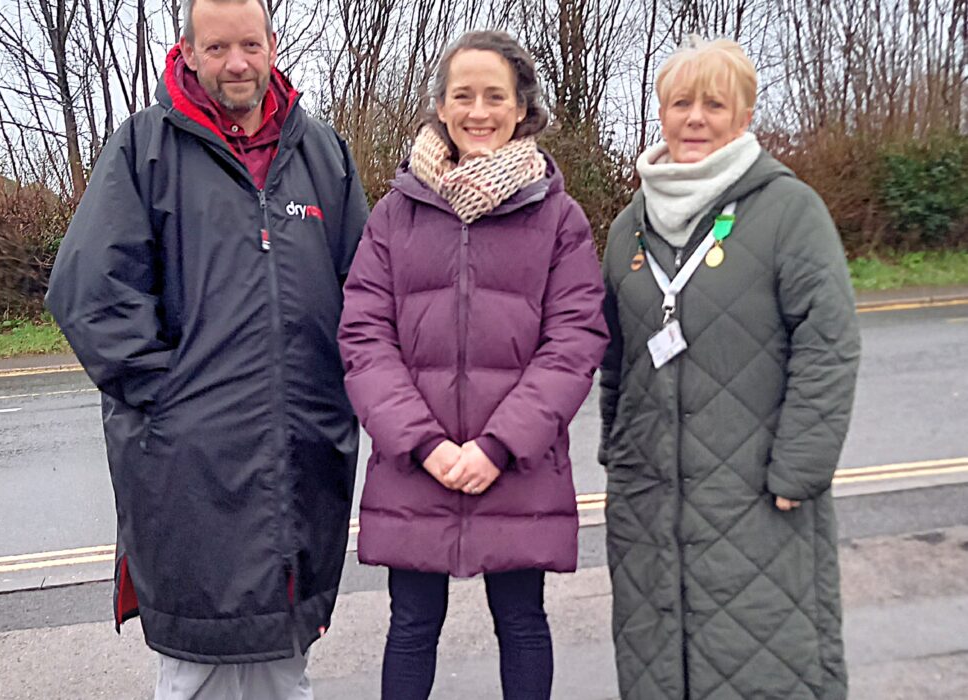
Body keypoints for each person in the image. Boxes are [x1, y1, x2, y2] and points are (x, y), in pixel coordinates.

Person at [46, 0, 368, 696]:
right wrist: (174, 403)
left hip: (301, 460)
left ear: (272, 45)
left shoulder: (322, 154)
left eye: (250, 45)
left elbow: (366, 293)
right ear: (188, 52)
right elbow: (89, 291)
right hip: (188, 471)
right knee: (198, 667)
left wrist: (345, 398)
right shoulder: (144, 149)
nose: (237, 63)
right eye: (217, 48)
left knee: (284, 662)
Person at [337, 30, 608, 700]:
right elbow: (365, 338)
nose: (478, 111)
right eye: (463, 96)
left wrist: (498, 446)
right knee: (411, 627)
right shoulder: (394, 215)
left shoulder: (559, 218)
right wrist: (425, 445)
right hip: (416, 465)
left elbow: (574, 341)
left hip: (516, 465)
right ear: (441, 106)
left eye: (495, 96)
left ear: (521, 108)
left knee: (522, 623)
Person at [599, 36, 859, 699]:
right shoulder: (630, 228)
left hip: (758, 493)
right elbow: (616, 359)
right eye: (680, 103)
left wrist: (801, 467)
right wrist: (617, 454)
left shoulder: (789, 211)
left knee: (763, 663)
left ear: (744, 115)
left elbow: (828, 343)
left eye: (714, 105)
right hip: (650, 501)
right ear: (661, 112)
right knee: (659, 665)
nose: (695, 118)